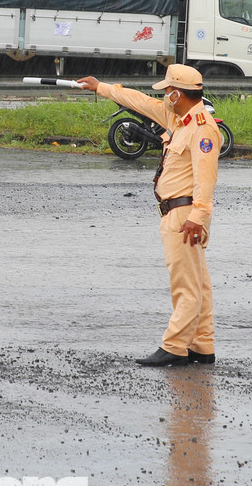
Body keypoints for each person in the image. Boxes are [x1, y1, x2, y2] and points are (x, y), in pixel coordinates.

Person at [78, 64, 222, 367]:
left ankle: (175, 346)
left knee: (186, 285)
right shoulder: (178, 118)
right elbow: (139, 101)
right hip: (179, 212)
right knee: (199, 284)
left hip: (184, 215)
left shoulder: (202, 128)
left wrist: (199, 217)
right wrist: (101, 87)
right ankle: (202, 344)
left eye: (168, 90)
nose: (165, 95)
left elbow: (205, 179)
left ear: (178, 93)